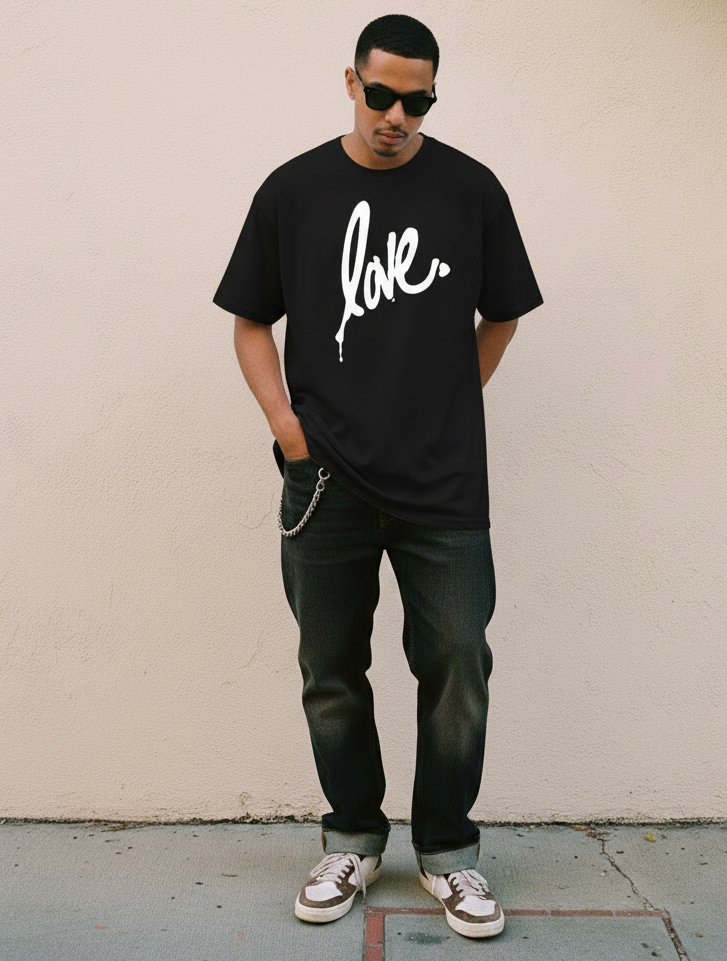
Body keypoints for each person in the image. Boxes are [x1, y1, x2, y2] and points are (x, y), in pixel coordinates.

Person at [212, 13, 543, 940]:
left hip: (443, 485)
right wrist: (287, 429)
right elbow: (248, 320)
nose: (398, 114)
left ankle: (448, 853)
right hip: (325, 483)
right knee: (330, 669)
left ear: (432, 95)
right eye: (383, 93)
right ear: (350, 82)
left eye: (418, 99)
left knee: (456, 665)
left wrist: (446, 399)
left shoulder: (471, 190)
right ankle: (352, 836)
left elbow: (503, 314)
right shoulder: (295, 190)